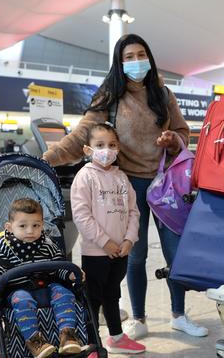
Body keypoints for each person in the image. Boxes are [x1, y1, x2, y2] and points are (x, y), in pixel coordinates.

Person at [43, 33, 208, 339]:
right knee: (136, 254)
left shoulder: (163, 93)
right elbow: (83, 136)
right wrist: (48, 157)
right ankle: (140, 318)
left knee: (176, 252)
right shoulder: (111, 96)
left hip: (165, 185)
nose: (135, 62)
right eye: (128, 57)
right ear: (119, 63)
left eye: (140, 55)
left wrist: (173, 140)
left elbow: (183, 132)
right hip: (127, 186)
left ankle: (179, 314)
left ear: (149, 57)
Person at [70, 123, 145, 354]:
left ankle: (116, 337)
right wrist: (105, 241)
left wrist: (129, 240)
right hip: (96, 253)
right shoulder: (85, 177)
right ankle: (91, 343)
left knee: (113, 295)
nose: (107, 149)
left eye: (112, 145)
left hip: (121, 252)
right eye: (100, 145)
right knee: (93, 300)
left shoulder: (122, 177)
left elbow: (134, 211)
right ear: (87, 150)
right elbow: (81, 215)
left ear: (118, 148)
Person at [0, 198, 84, 358]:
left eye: (36, 225)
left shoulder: (47, 244)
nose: (30, 231)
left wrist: (69, 273)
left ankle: (67, 335)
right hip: (18, 290)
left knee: (64, 292)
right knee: (22, 299)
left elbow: (59, 266)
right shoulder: (3, 246)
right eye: (23, 226)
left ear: (42, 225)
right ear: (9, 227)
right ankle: (35, 342)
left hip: (47, 287)